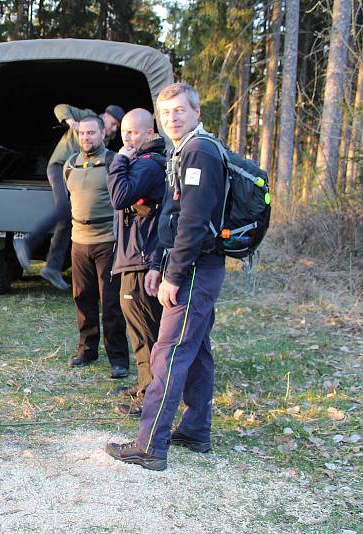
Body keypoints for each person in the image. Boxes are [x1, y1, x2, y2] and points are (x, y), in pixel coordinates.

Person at [106, 82, 227, 471]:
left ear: (196, 112)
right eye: (167, 111)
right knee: (198, 350)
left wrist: (173, 274)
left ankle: (150, 444)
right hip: (190, 264)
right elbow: (171, 219)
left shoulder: (199, 152)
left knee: (168, 351)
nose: (173, 117)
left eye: (180, 110)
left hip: (194, 268)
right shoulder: (184, 151)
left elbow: (192, 223)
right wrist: (158, 263)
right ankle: (195, 429)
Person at [14, 103, 125, 290]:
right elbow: (59, 107)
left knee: (68, 217)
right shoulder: (87, 116)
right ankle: (26, 243)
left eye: (116, 127)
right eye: (114, 123)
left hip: (76, 171)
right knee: (64, 209)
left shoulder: (103, 139)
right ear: (105, 116)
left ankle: (52, 268)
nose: (114, 129)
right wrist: (71, 121)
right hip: (59, 166)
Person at [106, 108, 167, 416]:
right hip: (135, 258)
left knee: (145, 330)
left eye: (134, 132)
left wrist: (119, 160)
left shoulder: (147, 165)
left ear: (150, 131)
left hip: (142, 261)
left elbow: (118, 196)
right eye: (125, 132)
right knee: (138, 328)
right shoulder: (142, 163)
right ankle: (145, 384)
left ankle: (151, 398)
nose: (128, 138)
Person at [64, 115, 129, 377]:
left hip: (108, 243)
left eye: (91, 133)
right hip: (78, 241)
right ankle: (87, 350)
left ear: (103, 134)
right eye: (82, 133)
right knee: (83, 298)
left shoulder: (115, 161)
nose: (86, 138)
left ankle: (118, 359)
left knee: (111, 303)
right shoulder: (70, 164)